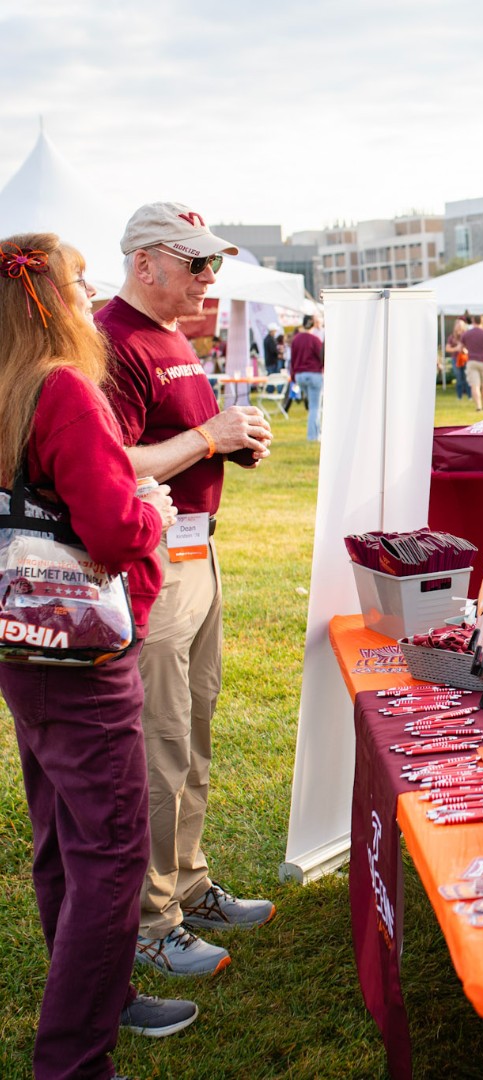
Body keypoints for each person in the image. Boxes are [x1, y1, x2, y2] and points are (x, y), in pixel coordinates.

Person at [0, 232, 196, 1078]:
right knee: (112, 851)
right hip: (82, 653)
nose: (93, 301)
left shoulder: (10, 384)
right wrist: (152, 510)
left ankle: (100, 996)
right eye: (80, 287)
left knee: (61, 837)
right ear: (51, 302)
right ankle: (75, 1058)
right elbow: (115, 532)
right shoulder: (64, 389)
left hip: (24, 642)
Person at [96, 202, 276, 979]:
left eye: (214, 263)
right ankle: (150, 921)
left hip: (196, 553)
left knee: (192, 728)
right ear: (145, 264)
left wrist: (231, 443)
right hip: (154, 565)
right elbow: (109, 462)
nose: (209, 277)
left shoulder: (169, 336)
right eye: (196, 262)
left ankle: (189, 884)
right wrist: (208, 438)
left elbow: (174, 441)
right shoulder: (112, 340)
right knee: (160, 744)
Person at [290, 314, 325, 441]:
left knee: (312, 405)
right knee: (315, 407)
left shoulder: (296, 339)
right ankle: (313, 436)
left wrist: (293, 376)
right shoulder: (314, 340)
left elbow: (292, 360)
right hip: (313, 374)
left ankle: (316, 432)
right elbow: (322, 356)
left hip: (300, 375)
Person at [460, 314, 483, 411]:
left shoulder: (466, 334)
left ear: (473, 321)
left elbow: (461, 348)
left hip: (471, 361)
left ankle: (478, 406)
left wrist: (466, 351)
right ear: (482, 321)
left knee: (474, 385)